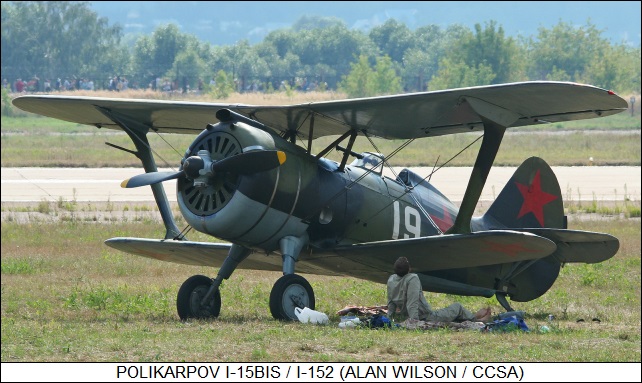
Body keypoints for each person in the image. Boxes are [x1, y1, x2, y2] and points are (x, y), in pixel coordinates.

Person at [387, 257, 492, 323]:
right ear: (408, 269)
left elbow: (391, 303)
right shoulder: (412, 278)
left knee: (452, 313)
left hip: (407, 315)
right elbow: (412, 302)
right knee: (457, 307)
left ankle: (473, 316)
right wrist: (414, 321)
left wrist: (389, 318)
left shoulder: (391, 279)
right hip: (425, 316)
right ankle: (477, 320)